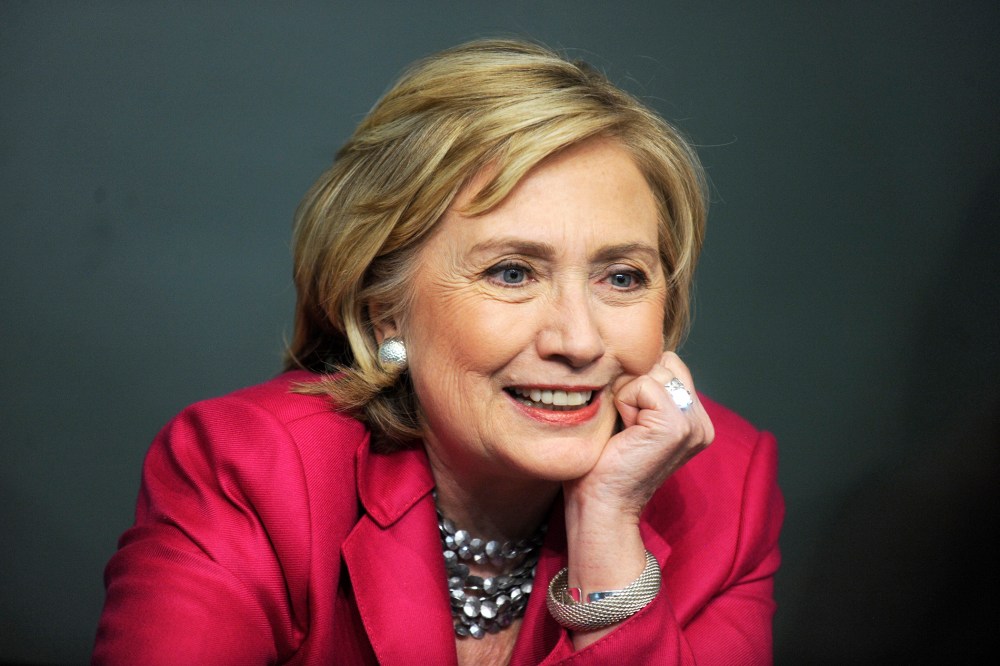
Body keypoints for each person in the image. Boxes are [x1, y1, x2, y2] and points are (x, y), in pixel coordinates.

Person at [93, 38, 783, 665]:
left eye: (622, 277)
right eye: (512, 272)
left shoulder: (728, 493)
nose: (578, 341)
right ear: (383, 308)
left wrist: (610, 531)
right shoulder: (252, 470)